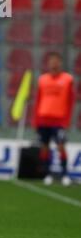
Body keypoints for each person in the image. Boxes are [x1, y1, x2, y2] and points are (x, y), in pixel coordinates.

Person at [31, 52, 75, 187]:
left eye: (56, 61)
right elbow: (38, 100)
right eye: (51, 61)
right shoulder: (42, 79)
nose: (53, 63)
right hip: (44, 118)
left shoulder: (68, 79)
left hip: (59, 119)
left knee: (61, 146)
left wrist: (67, 120)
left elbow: (71, 101)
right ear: (48, 63)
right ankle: (48, 174)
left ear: (60, 62)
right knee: (44, 147)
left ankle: (64, 174)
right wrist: (35, 120)